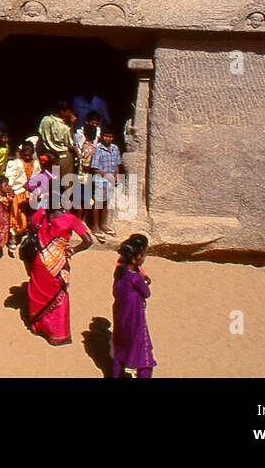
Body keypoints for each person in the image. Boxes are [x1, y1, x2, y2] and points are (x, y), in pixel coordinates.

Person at [26, 200, 93, 346]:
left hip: (40, 261)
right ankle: (57, 334)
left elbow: (30, 227)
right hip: (58, 263)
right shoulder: (70, 219)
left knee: (38, 293)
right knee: (60, 295)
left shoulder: (40, 214)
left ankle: (38, 326)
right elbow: (88, 241)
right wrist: (74, 250)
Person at [111, 234, 155, 378]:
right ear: (136, 257)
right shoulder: (135, 277)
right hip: (135, 317)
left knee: (121, 344)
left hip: (121, 314)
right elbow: (146, 293)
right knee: (140, 347)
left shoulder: (120, 272)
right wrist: (145, 282)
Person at [3, 138, 38, 257]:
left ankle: (28, 239)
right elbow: (9, 180)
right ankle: (12, 240)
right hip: (18, 193)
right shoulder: (15, 163)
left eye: (30, 152)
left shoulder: (36, 164)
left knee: (31, 218)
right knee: (16, 216)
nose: (27, 155)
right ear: (21, 152)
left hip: (32, 195)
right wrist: (10, 191)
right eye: (25, 152)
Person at [89, 129, 123, 239]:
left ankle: (103, 225)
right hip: (100, 180)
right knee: (98, 203)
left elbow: (117, 164)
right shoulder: (98, 149)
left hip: (111, 180)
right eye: (106, 136)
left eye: (110, 136)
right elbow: (94, 168)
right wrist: (106, 175)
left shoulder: (115, 148)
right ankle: (95, 226)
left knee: (106, 203)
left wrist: (117, 176)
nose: (108, 138)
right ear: (102, 136)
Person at [37, 100, 76, 182]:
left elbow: (40, 135)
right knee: (66, 183)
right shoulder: (64, 127)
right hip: (63, 156)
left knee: (52, 182)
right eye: (69, 112)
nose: (70, 114)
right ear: (62, 111)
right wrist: (72, 124)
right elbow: (70, 143)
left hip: (49, 155)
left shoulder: (45, 120)